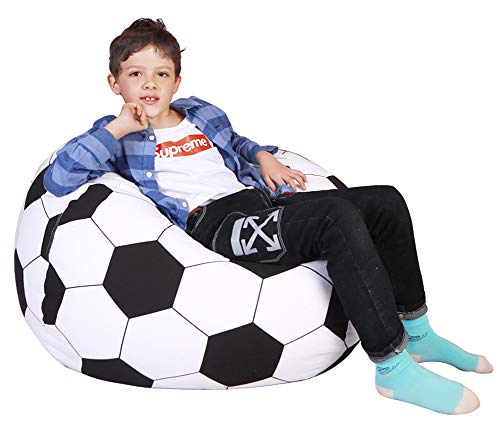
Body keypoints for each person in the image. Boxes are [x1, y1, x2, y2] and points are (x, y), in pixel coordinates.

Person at [43, 17, 493, 414]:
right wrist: (120, 126)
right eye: (135, 73)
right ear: (114, 82)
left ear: (177, 81)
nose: (149, 84)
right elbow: (60, 178)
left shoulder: (199, 113)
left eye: (161, 73)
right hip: (219, 226)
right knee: (335, 218)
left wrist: (263, 158)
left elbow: (237, 143)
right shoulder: (116, 137)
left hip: (258, 202)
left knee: (386, 202)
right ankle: (392, 367)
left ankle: (417, 332)